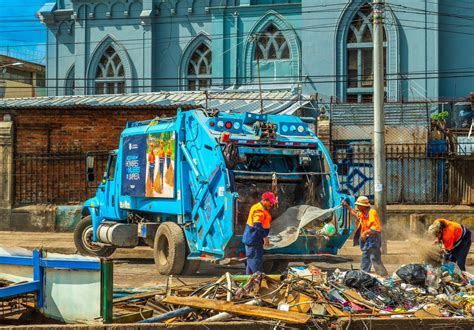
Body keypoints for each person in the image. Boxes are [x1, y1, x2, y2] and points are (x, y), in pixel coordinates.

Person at [343, 196, 388, 276]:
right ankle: (366, 273)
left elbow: (376, 228)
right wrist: (347, 206)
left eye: (358, 205)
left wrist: (364, 233)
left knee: (373, 257)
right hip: (367, 238)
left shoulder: (372, 213)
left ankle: (379, 274)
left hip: (373, 238)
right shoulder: (362, 213)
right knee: (368, 256)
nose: (357, 207)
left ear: (364, 206)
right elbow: (355, 214)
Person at [242, 192, 276, 275]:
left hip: (255, 239)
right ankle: (259, 284)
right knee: (256, 263)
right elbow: (257, 225)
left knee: (251, 264)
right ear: (264, 200)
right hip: (253, 240)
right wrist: (265, 237)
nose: (271, 204)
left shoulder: (263, 209)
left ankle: (249, 285)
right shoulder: (258, 209)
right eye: (270, 202)